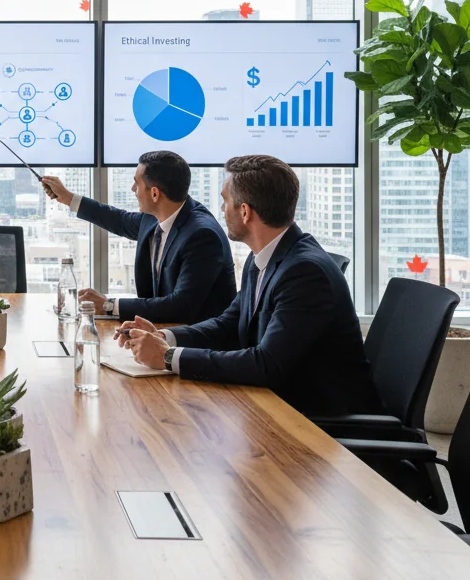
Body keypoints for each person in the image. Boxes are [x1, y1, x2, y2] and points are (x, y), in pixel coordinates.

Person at [119, 154, 381, 417]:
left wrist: (168, 357)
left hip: (319, 424)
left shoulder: (305, 272)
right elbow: (228, 324)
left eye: (225, 201)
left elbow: (266, 364)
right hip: (273, 407)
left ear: (245, 212)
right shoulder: (264, 258)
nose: (221, 210)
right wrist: (164, 338)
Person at [41, 151, 235, 324]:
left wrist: (109, 305)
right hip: (161, 329)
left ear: (155, 193)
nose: (133, 189)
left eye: (137, 183)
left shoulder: (201, 236)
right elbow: (119, 220)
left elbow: (181, 306)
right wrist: (67, 198)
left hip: (197, 345)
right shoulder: (155, 218)